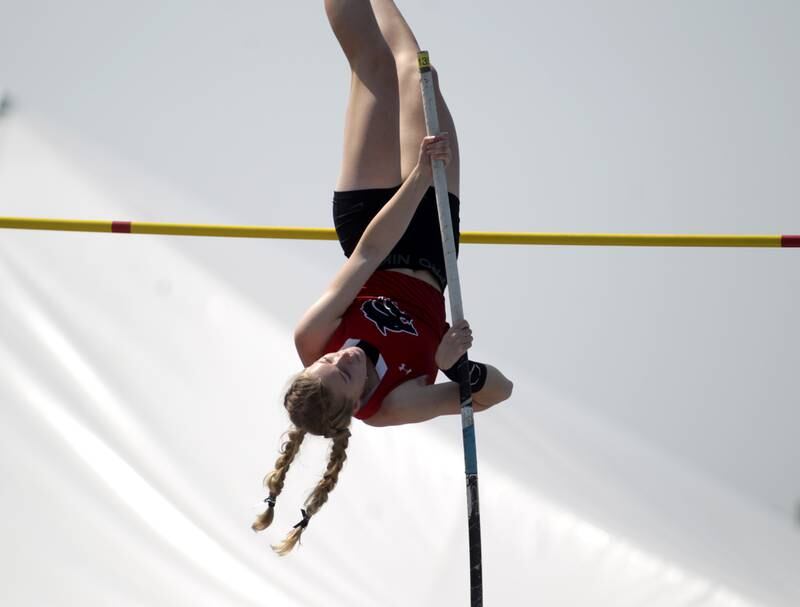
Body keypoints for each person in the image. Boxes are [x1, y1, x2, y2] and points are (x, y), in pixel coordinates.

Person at [252, 0, 513, 555]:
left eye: (326, 363)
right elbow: (498, 393)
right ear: (354, 405)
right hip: (433, 249)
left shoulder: (309, 338)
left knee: (372, 65)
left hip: (375, 224)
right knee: (416, 71)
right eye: (344, 374)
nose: (339, 358)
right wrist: (457, 368)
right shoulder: (391, 407)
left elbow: (368, 254)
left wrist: (419, 177)